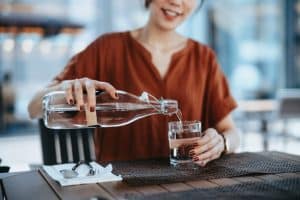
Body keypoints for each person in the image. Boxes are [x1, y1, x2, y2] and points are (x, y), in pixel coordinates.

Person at [28, 0, 240, 167]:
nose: (176, 1)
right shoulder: (106, 49)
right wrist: (64, 88)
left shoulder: (203, 58)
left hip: (187, 185)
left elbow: (232, 131)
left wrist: (221, 142)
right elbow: (33, 108)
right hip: (118, 187)